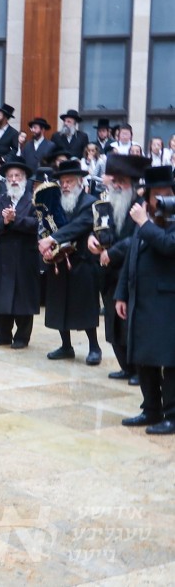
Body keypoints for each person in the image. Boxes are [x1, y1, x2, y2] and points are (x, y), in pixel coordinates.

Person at [115, 165, 175, 434]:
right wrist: (121, 294)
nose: (163, 199)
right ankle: (151, 409)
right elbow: (131, 257)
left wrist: (145, 224)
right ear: (148, 197)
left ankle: (172, 415)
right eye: (157, 194)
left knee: (169, 361)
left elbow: (169, 246)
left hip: (167, 302)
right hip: (141, 301)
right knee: (144, 357)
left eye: (168, 193)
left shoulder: (152, 221)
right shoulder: (144, 218)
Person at [87, 154, 150, 381]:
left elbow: (139, 237)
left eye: (121, 182)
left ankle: (140, 370)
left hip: (132, 272)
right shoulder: (108, 203)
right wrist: (91, 239)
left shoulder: (142, 206)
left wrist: (111, 253)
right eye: (114, 181)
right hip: (109, 273)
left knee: (131, 324)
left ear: (132, 184)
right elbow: (98, 227)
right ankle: (125, 366)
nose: (116, 186)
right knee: (113, 323)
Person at [37, 159, 102, 364]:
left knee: (85, 306)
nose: (65, 185)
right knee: (59, 305)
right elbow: (46, 226)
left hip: (82, 261)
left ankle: (94, 347)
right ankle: (66, 346)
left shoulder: (90, 202)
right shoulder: (55, 204)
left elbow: (80, 225)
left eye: (69, 181)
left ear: (80, 182)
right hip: (58, 262)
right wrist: (47, 247)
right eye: (63, 182)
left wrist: (51, 240)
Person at [0, 156, 39, 348]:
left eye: (17, 176)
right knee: (1, 295)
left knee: (23, 296)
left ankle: (22, 337)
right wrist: (4, 222)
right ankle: (2, 335)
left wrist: (16, 220)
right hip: (4, 256)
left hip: (25, 255)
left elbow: (37, 224)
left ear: (24, 178)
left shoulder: (33, 201)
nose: (14, 179)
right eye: (10, 177)